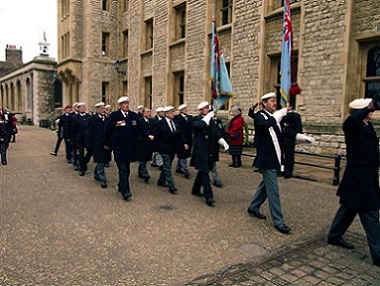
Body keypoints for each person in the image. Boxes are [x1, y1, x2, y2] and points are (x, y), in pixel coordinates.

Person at [247, 92, 313, 234]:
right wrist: (281, 113)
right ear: (264, 103)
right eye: (272, 101)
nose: (275, 103)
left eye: (276, 101)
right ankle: (279, 221)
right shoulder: (260, 116)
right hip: (267, 160)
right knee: (273, 191)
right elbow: (264, 125)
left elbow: (285, 132)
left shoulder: (276, 118)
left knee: (265, 186)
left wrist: (302, 138)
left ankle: (253, 207)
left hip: (277, 159)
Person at [327, 98, 380, 267]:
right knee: (371, 214)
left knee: (349, 208)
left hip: (367, 177)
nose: (371, 113)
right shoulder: (352, 126)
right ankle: (378, 254)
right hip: (359, 179)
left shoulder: (368, 126)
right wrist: (368, 106)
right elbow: (351, 120)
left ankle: (334, 236)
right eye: (368, 110)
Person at [104, 96, 154, 201]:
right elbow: (108, 130)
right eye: (124, 104)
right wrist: (106, 143)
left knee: (127, 168)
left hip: (130, 147)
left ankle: (121, 184)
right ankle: (126, 191)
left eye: (127, 103)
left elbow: (142, 126)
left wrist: (149, 134)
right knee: (123, 169)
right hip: (119, 147)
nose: (126, 105)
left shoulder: (133, 116)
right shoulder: (114, 116)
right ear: (120, 105)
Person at [190, 101, 229, 207]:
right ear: (201, 110)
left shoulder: (211, 120)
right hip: (200, 151)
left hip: (209, 151)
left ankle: (195, 189)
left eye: (208, 108)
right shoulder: (196, 119)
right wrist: (208, 117)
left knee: (203, 171)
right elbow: (199, 126)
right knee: (204, 172)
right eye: (206, 108)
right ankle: (209, 196)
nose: (208, 110)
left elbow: (216, 132)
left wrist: (222, 141)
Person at [154, 106, 187, 194]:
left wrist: (184, 143)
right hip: (164, 148)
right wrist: (155, 149)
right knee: (168, 167)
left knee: (166, 166)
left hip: (173, 149)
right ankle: (172, 185)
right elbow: (156, 137)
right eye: (172, 112)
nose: (173, 114)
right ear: (167, 114)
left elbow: (179, 134)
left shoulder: (175, 122)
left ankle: (161, 181)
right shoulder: (160, 123)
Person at [86, 102, 111, 188]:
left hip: (106, 144)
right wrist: (88, 146)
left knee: (104, 161)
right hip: (97, 144)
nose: (104, 110)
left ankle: (96, 173)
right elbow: (88, 133)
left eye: (104, 108)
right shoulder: (92, 120)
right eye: (101, 108)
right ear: (97, 110)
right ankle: (103, 179)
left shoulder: (108, 119)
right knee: (100, 161)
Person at [281, 98, 302, 178]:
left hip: (290, 139)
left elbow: (298, 127)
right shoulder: (282, 115)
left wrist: (297, 138)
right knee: (282, 156)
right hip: (283, 138)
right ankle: (282, 170)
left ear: (290, 107)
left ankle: (289, 172)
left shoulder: (295, 115)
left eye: (287, 106)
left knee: (289, 157)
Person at [70, 102, 90, 176]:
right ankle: (82, 169)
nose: (83, 108)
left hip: (88, 138)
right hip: (79, 139)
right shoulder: (74, 118)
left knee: (89, 152)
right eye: (81, 107)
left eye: (84, 107)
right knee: (81, 153)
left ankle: (84, 162)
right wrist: (72, 140)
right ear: (78, 109)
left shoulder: (89, 117)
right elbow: (73, 130)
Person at [136, 107, 155, 183]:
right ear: (143, 113)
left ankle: (140, 172)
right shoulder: (140, 121)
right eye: (147, 112)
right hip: (141, 142)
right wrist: (148, 135)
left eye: (150, 112)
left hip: (149, 143)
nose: (149, 113)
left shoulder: (152, 121)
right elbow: (143, 129)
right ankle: (145, 174)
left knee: (145, 159)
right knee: (142, 158)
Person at [174, 104, 192, 178]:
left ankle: (178, 168)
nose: (186, 110)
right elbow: (179, 131)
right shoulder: (177, 118)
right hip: (180, 139)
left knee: (183, 154)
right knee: (182, 155)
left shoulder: (189, 117)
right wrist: (184, 142)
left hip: (189, 138)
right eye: (185, 109)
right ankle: (186, 171)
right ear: (181, 110)